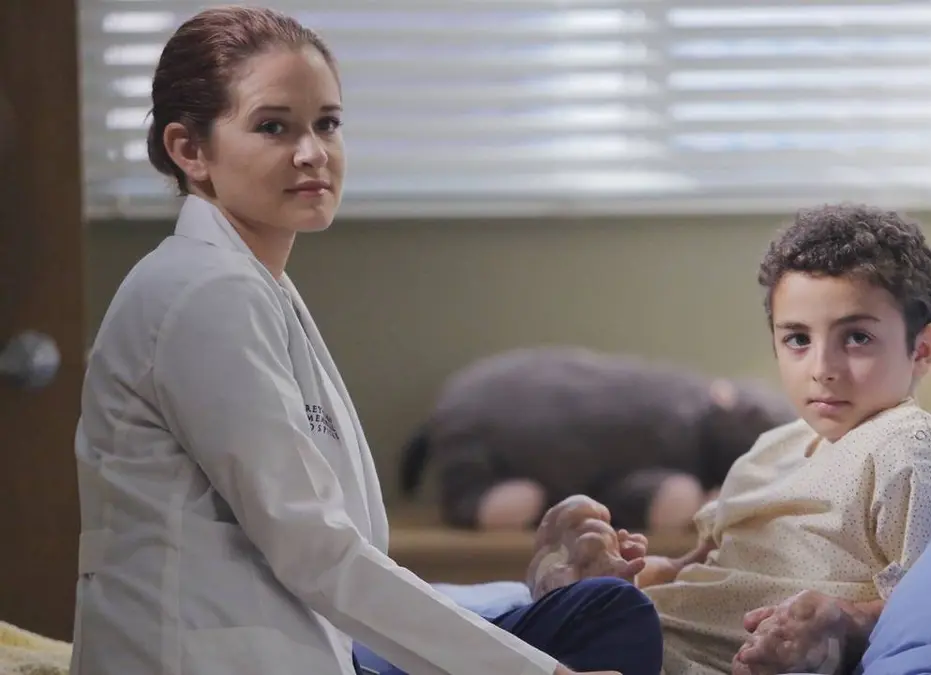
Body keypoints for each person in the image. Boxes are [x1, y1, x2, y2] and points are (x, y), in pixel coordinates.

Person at [70, 7, 660, 675]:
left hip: (307, 638)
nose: (312, 153)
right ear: (189, 150)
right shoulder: (204, 293)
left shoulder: (252, 285)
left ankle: (541, 591)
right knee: (607, 624)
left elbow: (339, 554)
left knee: (603, 608)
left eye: (327, 123)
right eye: (273, 127)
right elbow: (316, 551)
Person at [526, 204, 931, 675]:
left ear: (921, 349)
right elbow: (703, 569)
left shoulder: (911, 446)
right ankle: (575, 598)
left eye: (857, 338)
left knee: (503, 646)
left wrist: (844, 621)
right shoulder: (772, 448)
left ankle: (562, 619)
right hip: (645, 630)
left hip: (672, 661)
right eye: (798, 339)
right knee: (512, 628)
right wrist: (631, 570)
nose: (822, 368)